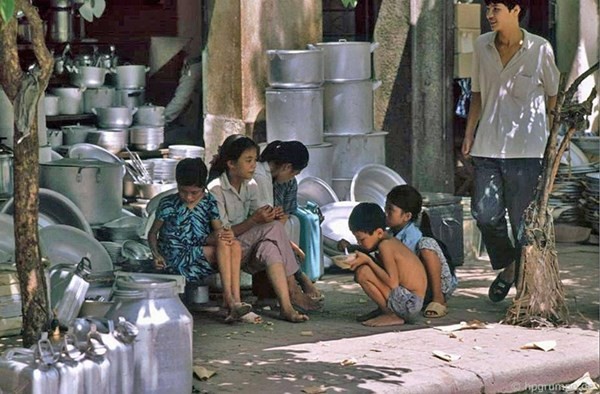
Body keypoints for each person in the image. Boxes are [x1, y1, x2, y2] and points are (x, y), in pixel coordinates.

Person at [461, 0, 560, 302]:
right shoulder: (481, 46)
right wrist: (469, 134)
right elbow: (477, 93)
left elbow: (553, 97)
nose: (489, 15)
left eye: (496, 9)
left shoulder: (540, 49)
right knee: (484, 213)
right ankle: (509, 265)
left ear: (516, 10)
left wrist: (551, 144)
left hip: (527, 151)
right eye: (487, 8)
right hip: (487, 145)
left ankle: (525, 291)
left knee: (521, 223)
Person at [207, 134, 320, 323]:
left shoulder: (249, 185)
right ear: (231, 164)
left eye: (254, 160)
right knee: (274, 228)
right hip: (226, 247)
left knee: (270, 248)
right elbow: (225, 235)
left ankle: (286, 306)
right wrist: (256, 220)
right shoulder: (216, 189)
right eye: (248, 160)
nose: (254, 165)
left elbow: (260, 218)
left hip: (244, 245)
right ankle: (294, 286)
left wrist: (268, 216)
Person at [147, 158, 252, 323]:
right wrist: (156, 254)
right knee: (222, 247)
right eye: (183, 191)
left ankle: (234, 301)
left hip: (200, 254)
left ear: (203, 187)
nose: (188, 197)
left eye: (194, 192)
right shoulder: (168, 204)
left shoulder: (209, 202)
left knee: (233, 244)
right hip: (175, 257)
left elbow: (218, 232)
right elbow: (152, 234)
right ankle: (231, 302)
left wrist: (225, 234)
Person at [254, 140, 323, 301]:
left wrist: (280, 222)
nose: (293, 178)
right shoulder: (260, 178)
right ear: (286, 166)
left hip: (274, 228)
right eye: (293, 172)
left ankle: (294, 285)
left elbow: (285, 213)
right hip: (260, 227)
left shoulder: (288, 183)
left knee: (289, 226)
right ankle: (299, 280)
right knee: (280, 237)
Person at [346, 202, 427, 327]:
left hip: (410, 303)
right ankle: (385, 310)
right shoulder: (387, 241)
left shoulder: (386, 246)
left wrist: (368, 261)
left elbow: (392, 282)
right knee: (363, 271)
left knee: (363, 272)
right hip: (408, 300)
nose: (359, 243)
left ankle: (391, 314)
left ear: (379, 232)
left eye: (362, 239)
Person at [385, 185, 457, 318]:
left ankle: (438, 299)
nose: (386, 213)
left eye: (390, 210)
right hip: (414, 285)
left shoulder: (412, 235)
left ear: (406, 216)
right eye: (386, 208)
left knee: (427, 245)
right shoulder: (389, 234)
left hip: (435, 284)